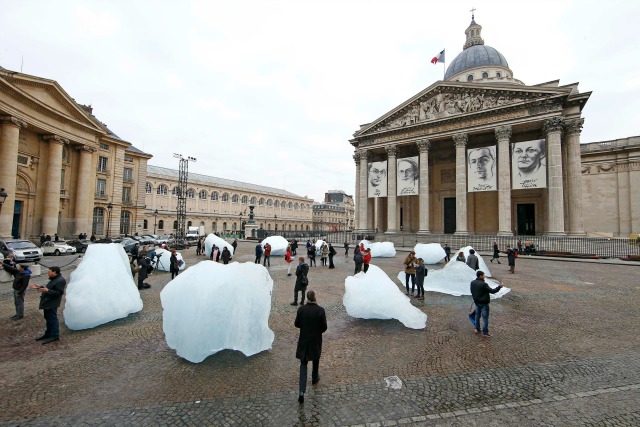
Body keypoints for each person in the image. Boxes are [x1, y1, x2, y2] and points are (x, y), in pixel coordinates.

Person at [294, 289, 327, 404]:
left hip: (304, 340)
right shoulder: (320, 311)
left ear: (307, 298)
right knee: (316, 358)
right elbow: (324, 328)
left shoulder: (301, 309)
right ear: (315, 297)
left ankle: (301, 392)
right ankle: (314, 377)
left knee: (303, 364)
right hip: (316, 339)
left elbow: (296, 324)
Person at [29, 266, 67, 344]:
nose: (48, 273)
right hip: (48, 302)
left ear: (54, 272)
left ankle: (55, 335)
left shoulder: (60, 280)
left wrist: (47, 291)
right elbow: (50, 289)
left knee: (52, 319)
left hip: (52, 303)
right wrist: (40, 287)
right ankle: (48, 334)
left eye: (49, 272)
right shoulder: (54, 279)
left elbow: (59, 293)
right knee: (48, 318)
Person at [470, 270, 503, 338]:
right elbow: (492, 291)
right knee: (485, 318)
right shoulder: (483, 284)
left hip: (477, 302)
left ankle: (477, 328)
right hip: (484, 303)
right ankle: (485, 332)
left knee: (477, 315)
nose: (484, 276)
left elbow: (472, 291)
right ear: (480, 276)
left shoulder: (472, 282)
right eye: (484, 275)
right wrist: (499, 287)